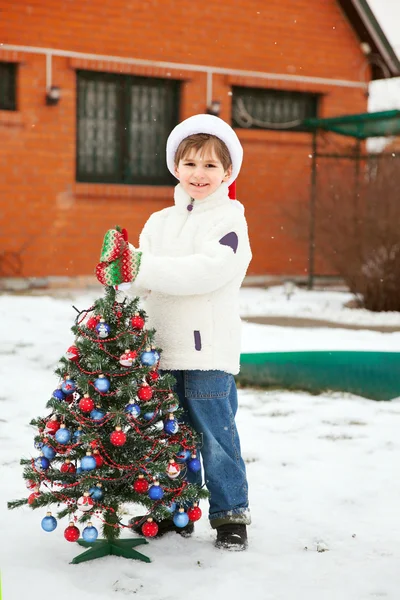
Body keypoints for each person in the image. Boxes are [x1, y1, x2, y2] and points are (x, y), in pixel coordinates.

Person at [96, 114, 252, 550]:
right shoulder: (160, 222)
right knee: (169, 438)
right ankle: (175, 510)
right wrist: (120, 276)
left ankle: (230, 515)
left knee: (215, 438)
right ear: (175, 167)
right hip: (160, 351)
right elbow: (144, 278)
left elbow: (204, 273)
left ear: (227, 172)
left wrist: (141, 264)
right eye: (190, 164)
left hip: (207, 356)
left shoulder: (228, 222)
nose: (199, 174)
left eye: (210, 166)